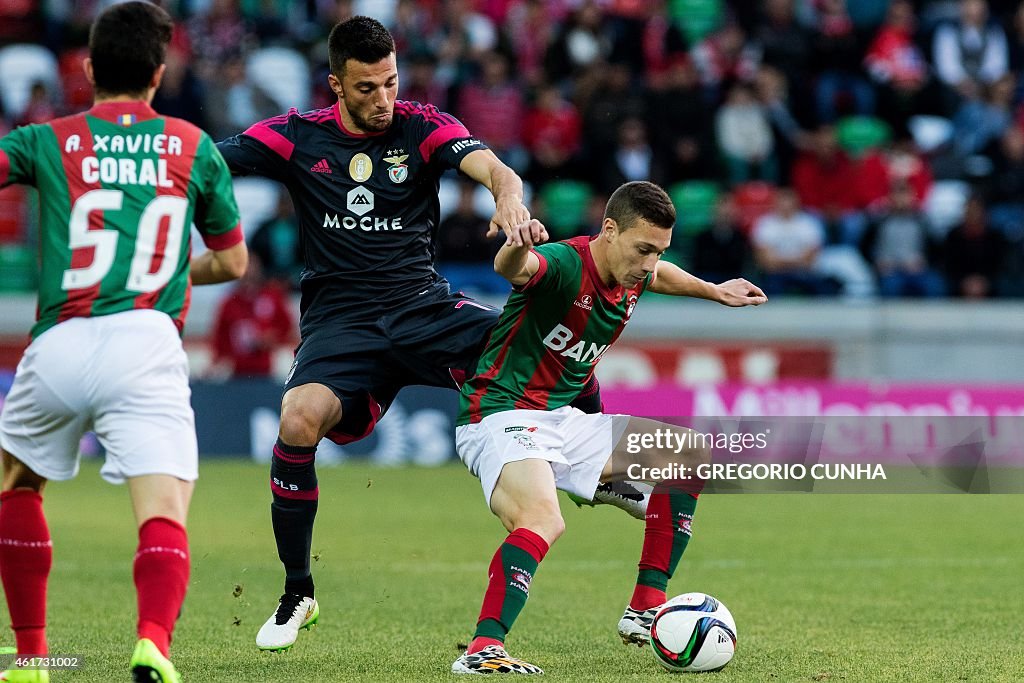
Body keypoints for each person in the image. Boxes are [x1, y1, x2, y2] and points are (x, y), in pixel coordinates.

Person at [215, 15, 605, 652]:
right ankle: (297, 592)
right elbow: (206, 159)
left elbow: (493, 168)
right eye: (366, 88)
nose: (382, 99)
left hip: (422, 309)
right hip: (340, 326)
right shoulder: (294, 138)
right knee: (296, 420)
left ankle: (598, 465)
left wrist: (509, 196)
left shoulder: (422, 126)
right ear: (335, 84)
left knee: (553, 345)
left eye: (390, 83)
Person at [0, 4, 248, 683]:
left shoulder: (46, 140)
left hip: (60, 340)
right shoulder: (193, 147)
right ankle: (152, 643)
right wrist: (170, 271)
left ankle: (30, 658)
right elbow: (232, 264)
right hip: (146, 341)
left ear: (85, 69)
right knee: (163, 509)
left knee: (18, 483)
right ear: (159, 75)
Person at [450, 181, 766, 674]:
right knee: (543, 520)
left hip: (563, 420)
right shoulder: (565, 263)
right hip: (499, 413)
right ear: (610, 230)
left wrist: (714, 291)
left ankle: (644, 610)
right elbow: (516, 269)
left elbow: (662, 276)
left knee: (688, 455)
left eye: (658, 251)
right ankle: (483, 651)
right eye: (643, 249)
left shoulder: (636, 271)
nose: (648, 262)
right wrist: (517, 246)